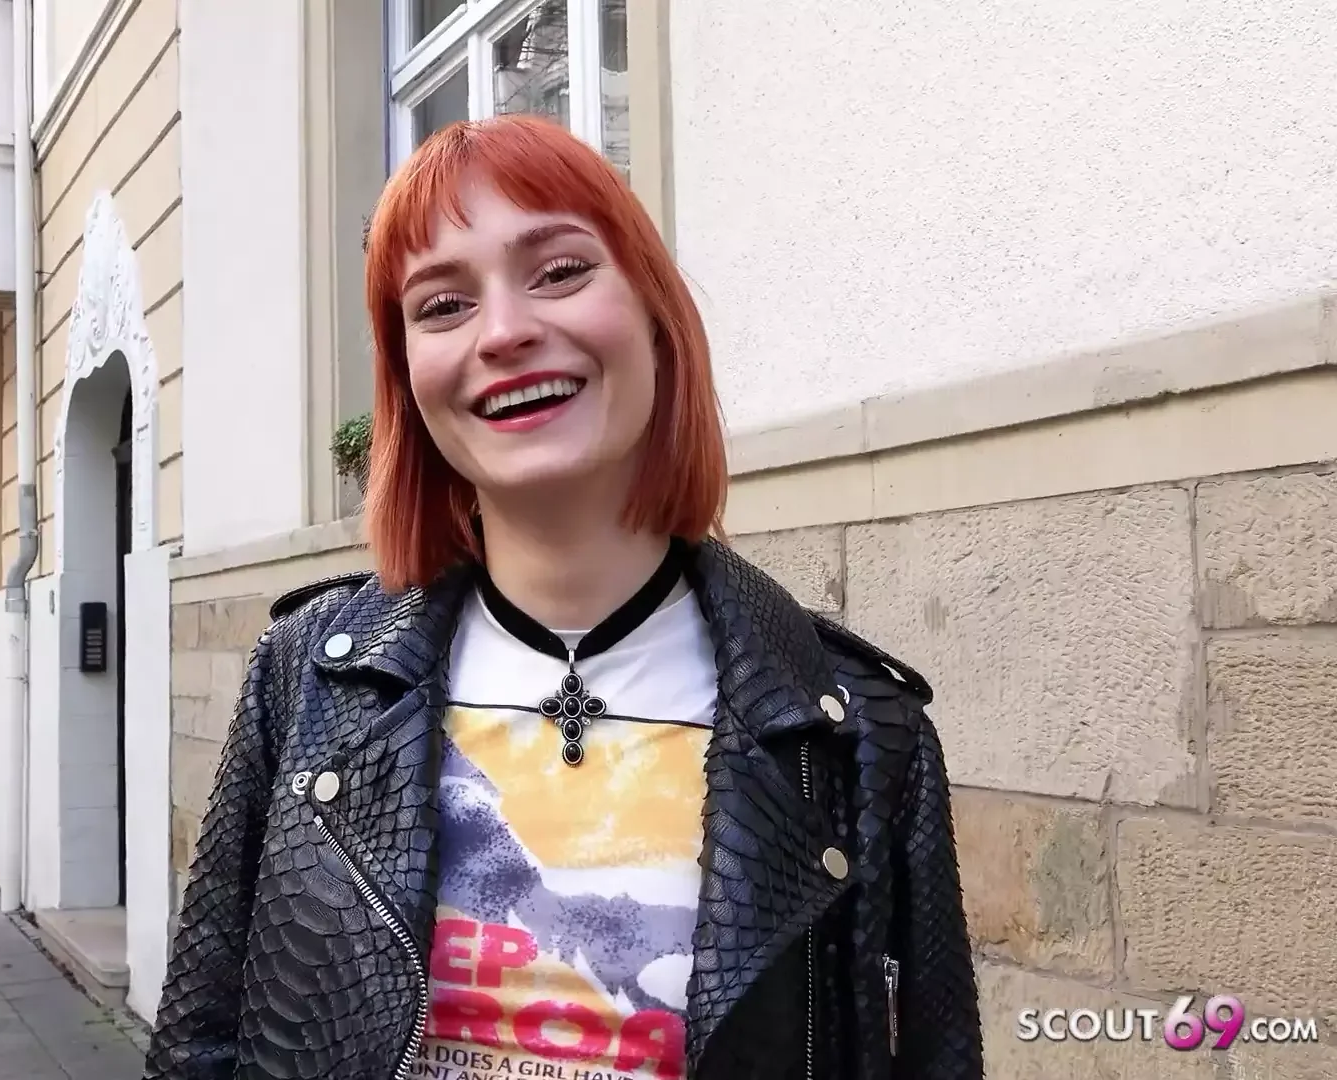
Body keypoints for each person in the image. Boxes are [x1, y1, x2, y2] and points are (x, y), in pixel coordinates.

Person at [143, 115, 980, 1080]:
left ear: (655, 318)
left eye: (560, 271)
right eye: (443, 305)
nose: (504, 332)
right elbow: (198, 1047)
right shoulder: (302, 681)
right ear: (407, 380)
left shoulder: (858, 731)